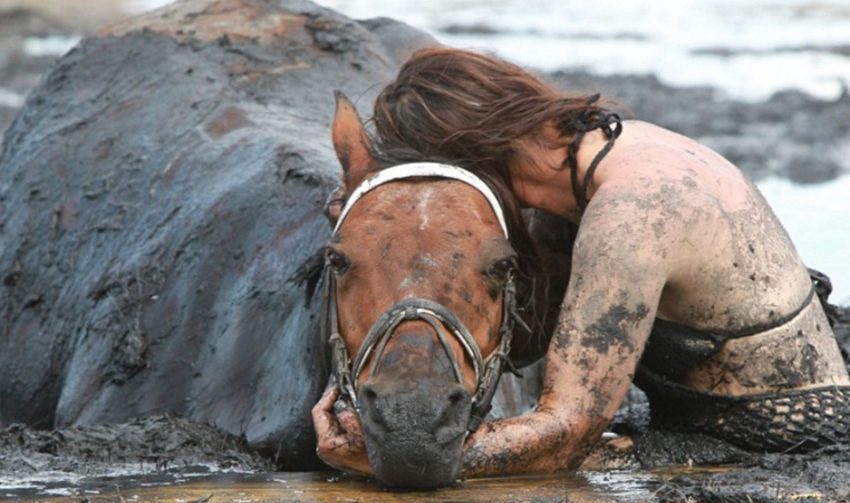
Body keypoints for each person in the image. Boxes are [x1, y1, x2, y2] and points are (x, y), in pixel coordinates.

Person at [313, 47, 850, 478]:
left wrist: (402, 452)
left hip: (773, 440)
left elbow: (569, 431)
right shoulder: (597, 166)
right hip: (707, 416)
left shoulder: (633, 213)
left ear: (473, 155)